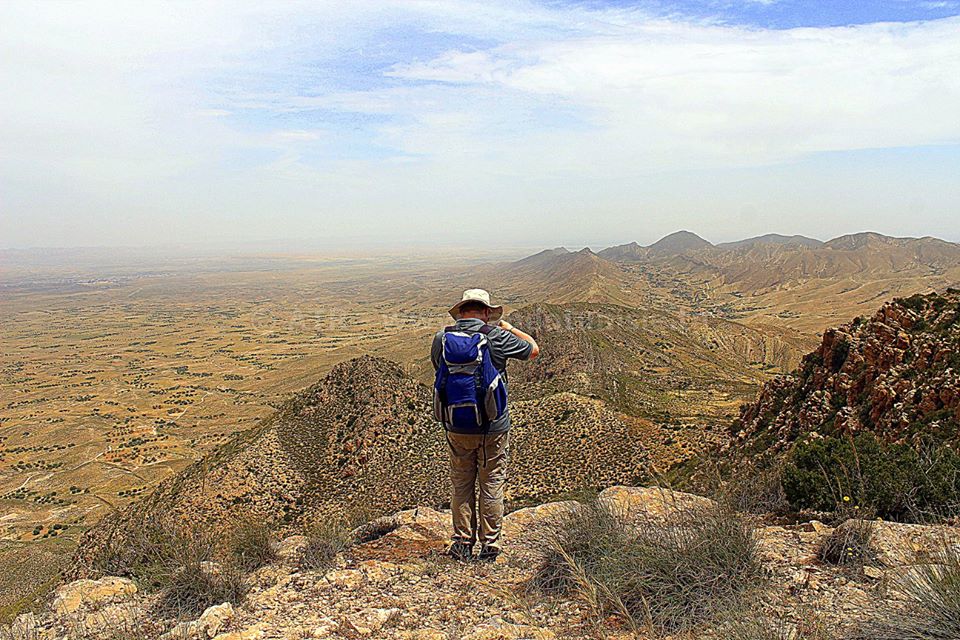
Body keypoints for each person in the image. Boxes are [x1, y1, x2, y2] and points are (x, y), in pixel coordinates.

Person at [431, 289, 539, 562]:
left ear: (461, 312)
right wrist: (508, 326)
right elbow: (533, 350)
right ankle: (489, 546)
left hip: (457, 424)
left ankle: (462, 543)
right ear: (487, 312)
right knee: (491, 483)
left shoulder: (442, 339)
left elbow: (438, 370)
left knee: (461, 484)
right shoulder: (497, 336)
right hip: (494, 425)